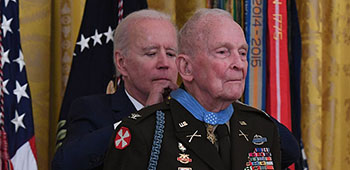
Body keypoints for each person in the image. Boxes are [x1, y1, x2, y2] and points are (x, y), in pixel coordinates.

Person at [103, 8, 283, 170]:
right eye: (223, 52)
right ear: (187, 68)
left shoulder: (261, 126)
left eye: (242, 53)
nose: (239, 64)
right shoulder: (145, 131)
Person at [51, 9, 178, 170]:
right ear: (122, 63)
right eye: (151, 53)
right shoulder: (91, 110)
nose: (164, 63)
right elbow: (65, 164)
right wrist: (140, 119)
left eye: (171, 54)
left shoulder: (193, 113)